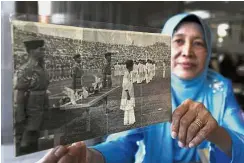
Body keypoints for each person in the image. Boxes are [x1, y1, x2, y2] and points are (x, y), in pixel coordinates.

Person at [39, 13, 244, 163]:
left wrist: (214, 131)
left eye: (198, 43)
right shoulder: (145, 87)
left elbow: (240, 145)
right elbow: (122, 143)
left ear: (208, 52)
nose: (187, 51)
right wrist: (92, 157)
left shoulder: (219, 88)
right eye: (178, 41)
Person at [14, 40, 50, 155]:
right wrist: (20, 113)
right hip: (31, 104)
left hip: (40, 103)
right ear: (31, 51)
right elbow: (20, 92)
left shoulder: (41, 67)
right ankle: (23, 155)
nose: (43, 51)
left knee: (36, 132)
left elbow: (44, 88)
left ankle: (33, 154)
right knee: (28, 132)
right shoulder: (26, 69)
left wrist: (46, 103)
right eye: (40, 49)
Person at [120, 60, 136, 125]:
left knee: (130, 106)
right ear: (130, 66)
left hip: (130, 92)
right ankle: (127, 121)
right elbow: (124, 84)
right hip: (127, 93)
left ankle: (131, 120)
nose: (133, 67)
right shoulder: (126, 73)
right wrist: (127, 93)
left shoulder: (129, 73)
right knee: (128, 106)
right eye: (132, 65)